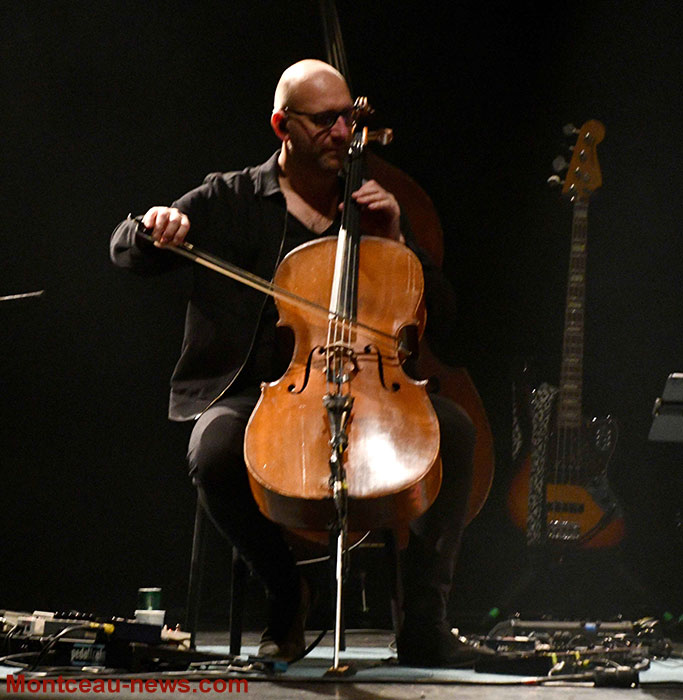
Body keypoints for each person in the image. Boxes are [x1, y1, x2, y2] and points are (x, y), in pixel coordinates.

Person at [110, 59, 477, 667]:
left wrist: (396, 243)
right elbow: (128, 251)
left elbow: (440, 314)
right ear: (283, 124)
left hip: (367, 388)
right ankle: (287, 594)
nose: (343, 133)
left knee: (455, 432)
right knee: (214, 448)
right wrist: (151, 227)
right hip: (256, 392)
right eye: (325, 120)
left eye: (348, 119)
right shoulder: (227, 198)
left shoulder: (368, 206)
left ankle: (424, 619)